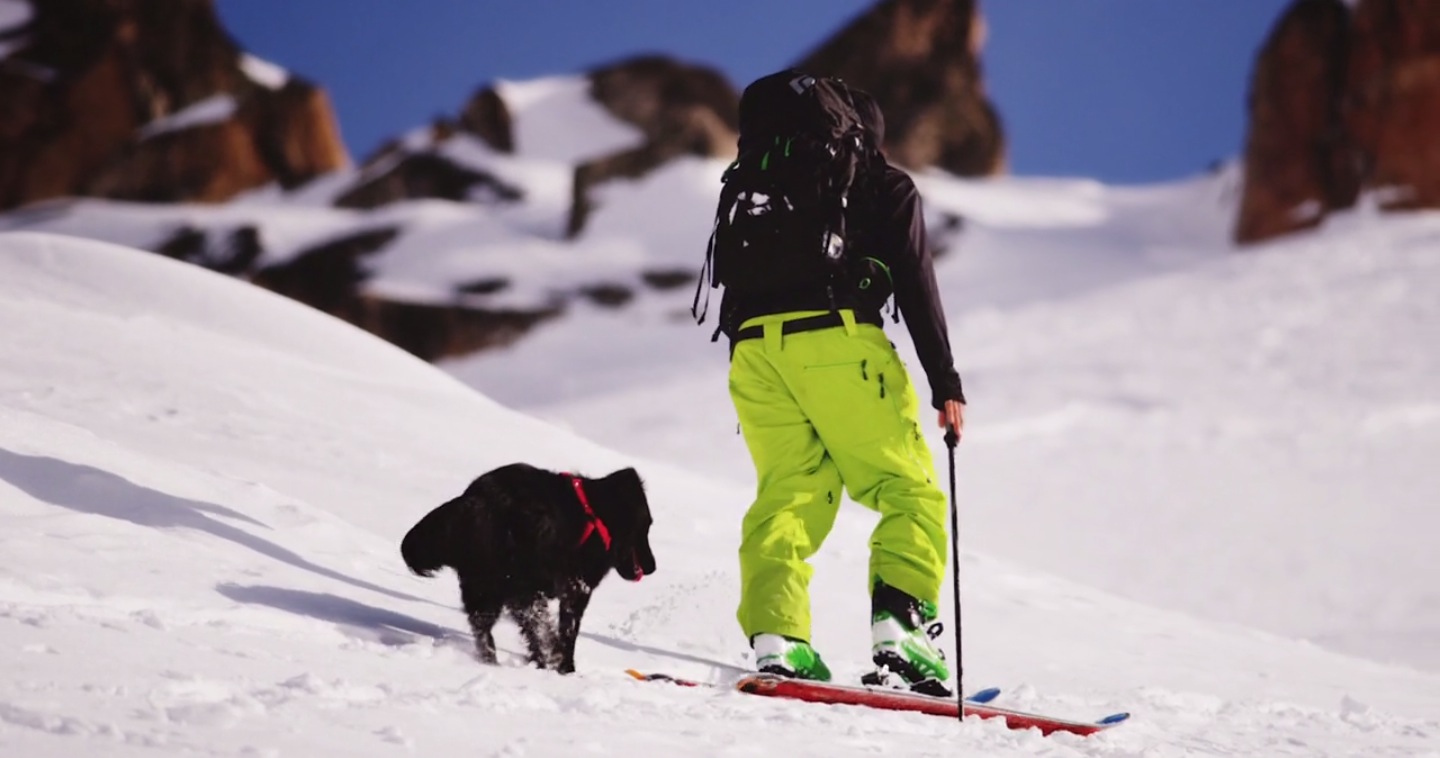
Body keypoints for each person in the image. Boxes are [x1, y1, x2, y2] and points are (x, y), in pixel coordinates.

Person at [713, 78, 967, 694]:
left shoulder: (760, 180)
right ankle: (904, 633)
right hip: (837, 341)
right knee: (908, 489)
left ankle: (779, 638)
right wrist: (945, 382)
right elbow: (915, 281)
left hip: (753, 353)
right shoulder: (881, 185)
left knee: (789, 496)